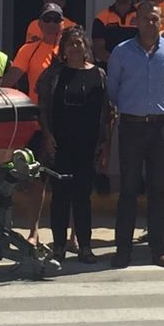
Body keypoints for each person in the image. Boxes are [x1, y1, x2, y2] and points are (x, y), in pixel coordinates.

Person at [106, 0, 164, 268]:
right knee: (128, 189)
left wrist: (161, 110)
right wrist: (132, 108)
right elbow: (113, 89)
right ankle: (123, 251)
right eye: (145, 19)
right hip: (131, 126)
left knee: (158, 190)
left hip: (160, 127)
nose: (150, 23)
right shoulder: (121, 52)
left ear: (162, 21)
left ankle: (158, 250)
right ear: (136, 21)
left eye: (155, 19)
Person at [35, 26, 112, 264]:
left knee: (82, 197)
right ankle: (58, 247)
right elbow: (43, 108)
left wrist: (105, 145)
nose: (75, 47)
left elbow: (108, 113)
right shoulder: (53, 75)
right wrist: (47, 135)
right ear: (63, 49)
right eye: (70, 43)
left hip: (88, 145)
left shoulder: (98, 74)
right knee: (60, 196)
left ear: (86, 47)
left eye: (79, 43)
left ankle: (85, 247)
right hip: (60, 143)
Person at [8, 3, 64, 97]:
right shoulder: (27, 50)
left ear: (62, 23)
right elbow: (9, 81)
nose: (51, 23)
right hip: (38, 109)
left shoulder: (71, 49)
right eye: (47, 19)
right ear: (39, 23)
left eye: (56, 20)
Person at [93, 0, 139, 64]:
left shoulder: (141, 16)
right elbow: (98, 49)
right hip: (110, 69)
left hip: (136, 69)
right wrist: (116, 63)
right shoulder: (101, 18)